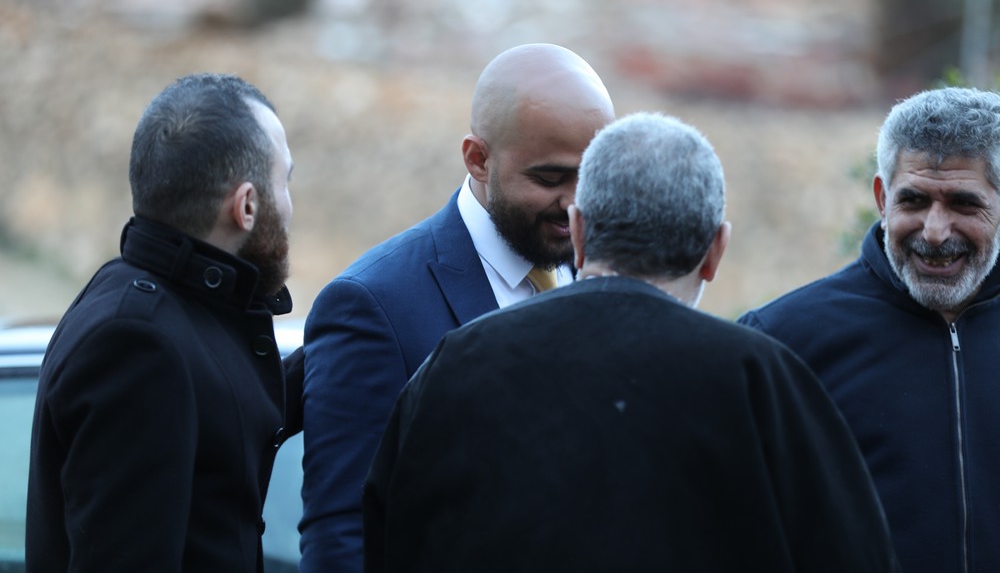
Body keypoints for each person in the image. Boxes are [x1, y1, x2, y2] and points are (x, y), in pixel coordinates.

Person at [362, 111, 899, 572]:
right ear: (716, 250)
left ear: (577, 231)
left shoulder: (457, 363)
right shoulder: (761, 379)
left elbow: (386, 540)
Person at [299, 43, 616, 572]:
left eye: (593, 177)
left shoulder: (600, 273)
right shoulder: (374, 306)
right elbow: (342, 534)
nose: (575, 204)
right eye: (549, 179)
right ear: (477, 159)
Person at [26, 73, 303, 572]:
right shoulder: (136, 343)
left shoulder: (156, 305)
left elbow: (220, 410)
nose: (289, 205)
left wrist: (349, 340)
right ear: (246, 206)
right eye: (285, 181)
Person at [738, 86, 1000, 573]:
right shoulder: (779, 342)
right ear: (882, 197)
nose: (935, 230)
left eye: (964, 204)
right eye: (913, 200)